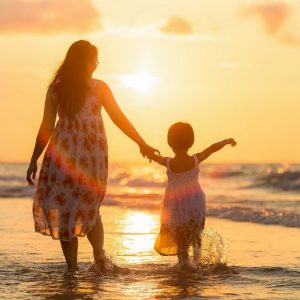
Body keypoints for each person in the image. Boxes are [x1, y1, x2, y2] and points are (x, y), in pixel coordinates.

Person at [26, 40, 158, 273]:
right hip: (90, 155)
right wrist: (141, 143)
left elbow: (46, 128)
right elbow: (119, 118)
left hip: (62, 155)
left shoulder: (57, 89)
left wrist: (34, 159)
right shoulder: (97, 87)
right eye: (94, 59)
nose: (96, 64)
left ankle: (73, 269)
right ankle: (98, 258)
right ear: (85, 62)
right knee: (89, 206)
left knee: (65, 209)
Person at [146, 122, 236, 267]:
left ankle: (184, 266)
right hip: (195, 202)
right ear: (191, 142)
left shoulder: (168, 162)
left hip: (176, 205)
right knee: (196, 235)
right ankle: (197, 263)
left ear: (170, 143)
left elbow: (153, 157)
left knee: (181, 239)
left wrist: (147, 152)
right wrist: (226, 141)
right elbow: (212, 149)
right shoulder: (195, 159)